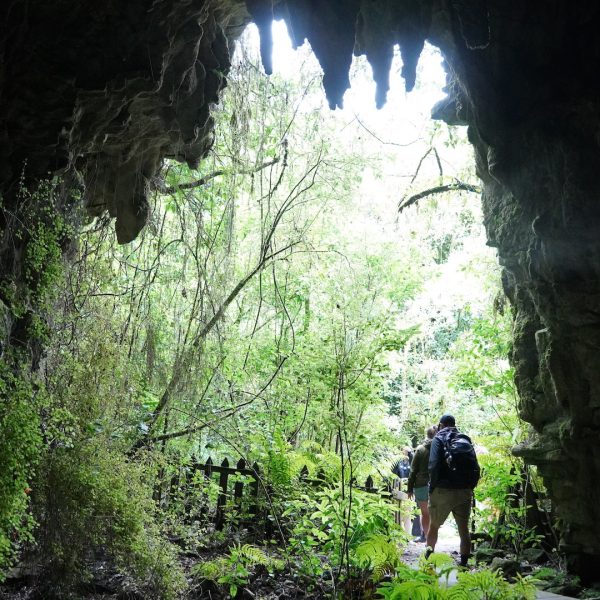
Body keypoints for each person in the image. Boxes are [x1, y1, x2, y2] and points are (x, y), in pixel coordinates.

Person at [425, 414, 480, 567]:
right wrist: (470, 487)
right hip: (464, 490)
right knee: (464, 529)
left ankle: (428, 561)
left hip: (442, 490)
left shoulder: (438, 439)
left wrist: (432, 487)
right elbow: (476, 466)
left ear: (441, 425)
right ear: (454, 424)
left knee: (434, 526)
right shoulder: (464, 439)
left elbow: (434, 464)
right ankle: (463, 565)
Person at [407, 425, 437, 542]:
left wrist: (410, 488)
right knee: (433, 514)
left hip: (420, 485)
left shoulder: (420, 449)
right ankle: (431, 539)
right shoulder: (439, 448)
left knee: (425, 513)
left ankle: (427, 540)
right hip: (436, 485)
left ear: (427, 435)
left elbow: (413, 470)